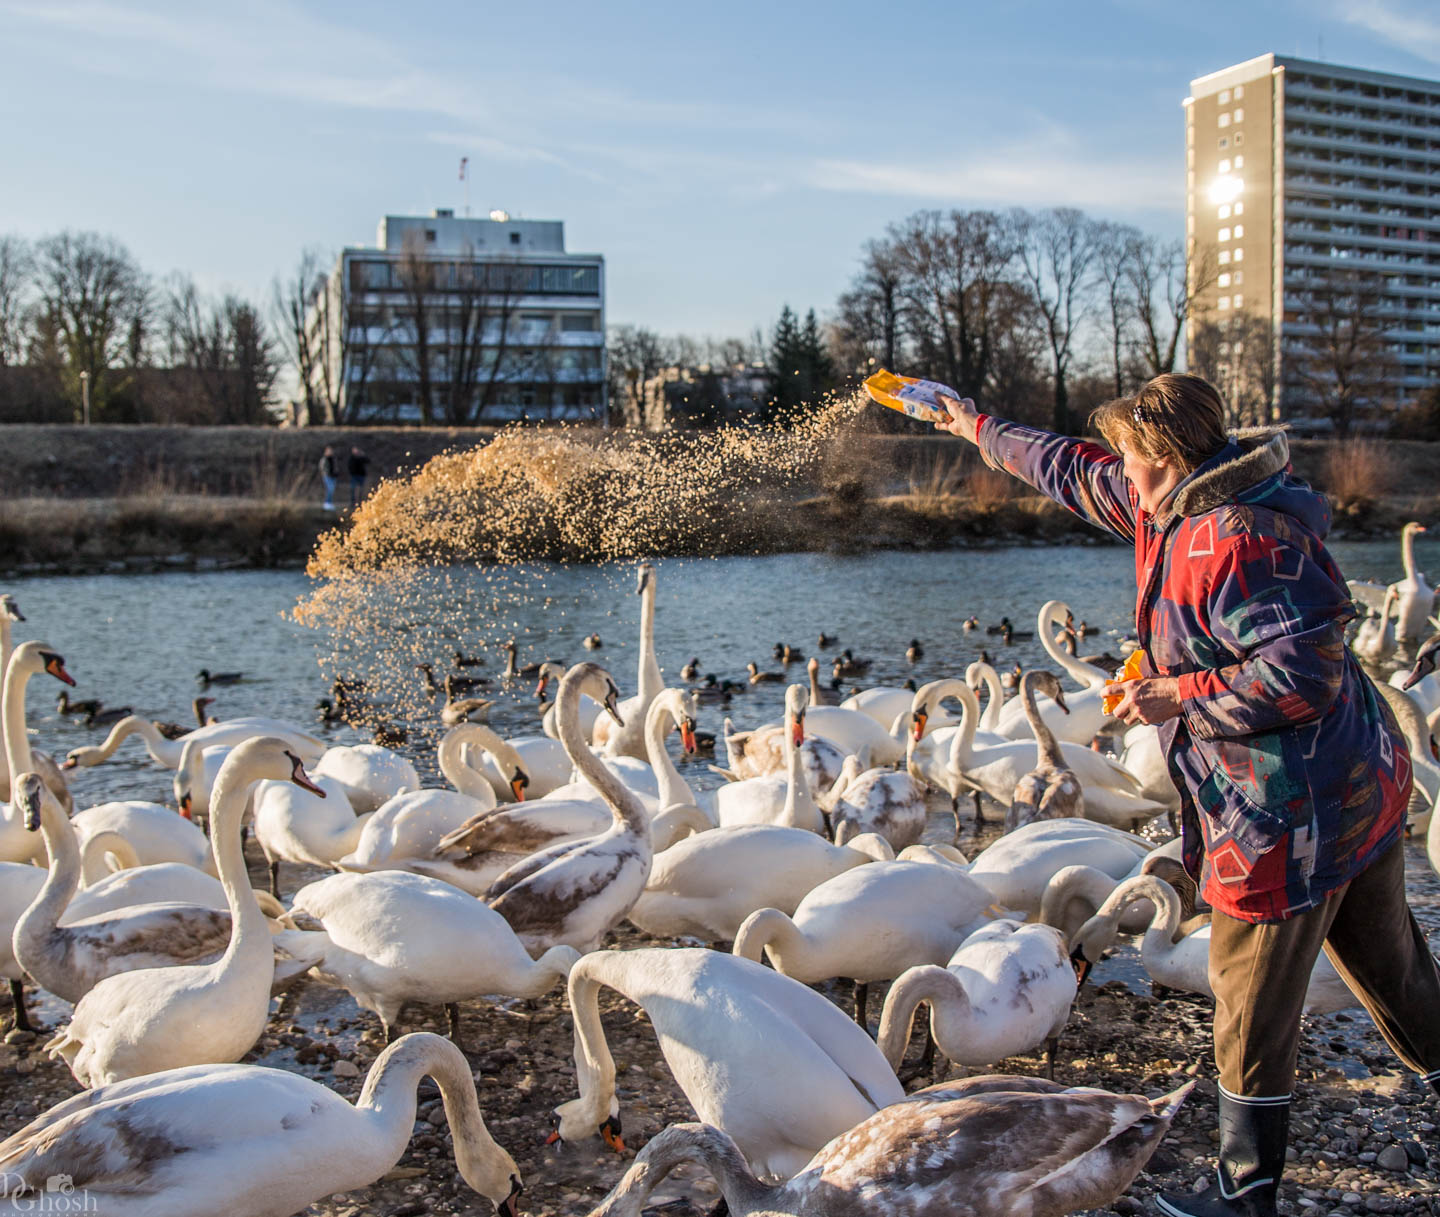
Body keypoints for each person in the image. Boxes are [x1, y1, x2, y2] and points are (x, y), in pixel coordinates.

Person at [933, 373, 1440, 1217]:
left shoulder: (1242, 538)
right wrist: (974, 426)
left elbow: (1301, 674)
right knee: (1393, 968)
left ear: (1165, 459)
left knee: (1245, 1004)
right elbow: (1072, 468)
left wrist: (1179, 695)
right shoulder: (1175, 503)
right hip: (1362, 784)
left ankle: (1245, 1195)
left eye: (1131, 458)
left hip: (1286, 809)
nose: (1119, 472)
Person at [318, 445, 337, 512]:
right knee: (330, 489)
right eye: (329, 451)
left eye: (331, 451)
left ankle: (330, 503)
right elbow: (322, 467)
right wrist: (325, 473)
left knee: (332, 490)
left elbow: (335, 467)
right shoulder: (324, 459)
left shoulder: (333, 459)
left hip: (333, 476)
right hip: (327, 476)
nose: (330, 452)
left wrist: (336, 472)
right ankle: (327, 503)